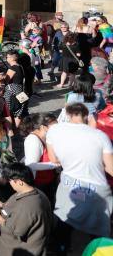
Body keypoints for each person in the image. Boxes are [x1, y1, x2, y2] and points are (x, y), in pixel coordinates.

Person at [47, 102, 113, 248]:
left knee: (66, 218)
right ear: (86, 116)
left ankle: (59, 247)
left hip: (69, 183)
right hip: (95, 188)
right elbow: (110, 168)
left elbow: (54, 159)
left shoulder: (54, 131)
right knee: (98, 229)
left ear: (68, 115)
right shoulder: (100, 136)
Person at [0, 162, 52, 256]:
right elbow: (17, 208)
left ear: (20, 182)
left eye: (11, 180)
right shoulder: (32, 191)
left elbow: (13, 230)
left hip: (19, 249)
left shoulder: (28, 207)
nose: (9, 183)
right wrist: (2, 205)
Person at [20, 113, 59, 205]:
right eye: (54, 127)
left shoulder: (45, 137)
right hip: (39, 184)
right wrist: (55, 164)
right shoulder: (33, 140)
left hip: (48, 181)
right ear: (43, 127)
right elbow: (31, 165)